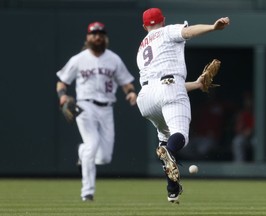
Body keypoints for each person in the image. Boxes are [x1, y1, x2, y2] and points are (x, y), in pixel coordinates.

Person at [136, 8, 230, 203]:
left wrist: (196, 84)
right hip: (168, 87)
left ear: (145, 26)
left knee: (165, 138)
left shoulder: (141, 49)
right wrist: (213, 27)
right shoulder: (167, 30)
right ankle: (169, 152)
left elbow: (160, 84)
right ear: (163, 20)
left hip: (145, 98)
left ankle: (172, 189)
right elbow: (188, 31)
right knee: (180, 136)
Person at [56, 21, 137, 201]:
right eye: (93, 34)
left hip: (107, 109)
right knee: (92, 145)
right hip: (85, 106)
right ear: (88, 37)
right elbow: (62, 81)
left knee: (104, 157)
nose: (97, 37)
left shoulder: (114, 59)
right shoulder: (78, 59)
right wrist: (62, 95)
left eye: (100, 33)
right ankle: (87, 192)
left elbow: (126, 82)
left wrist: (131, 93)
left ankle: (82, 152)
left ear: (105, 37)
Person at [232, 92, 255, 162]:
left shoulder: (258, 112)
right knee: (237, 141)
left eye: (250, 100)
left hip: (256, 137)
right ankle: (239, 165)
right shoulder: (242, 113)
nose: (248, 102)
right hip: (245, 138)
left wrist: (252, 130)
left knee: (257, 143)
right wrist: (243, 131)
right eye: (247, 101)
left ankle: (259, 165)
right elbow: (237, 129)